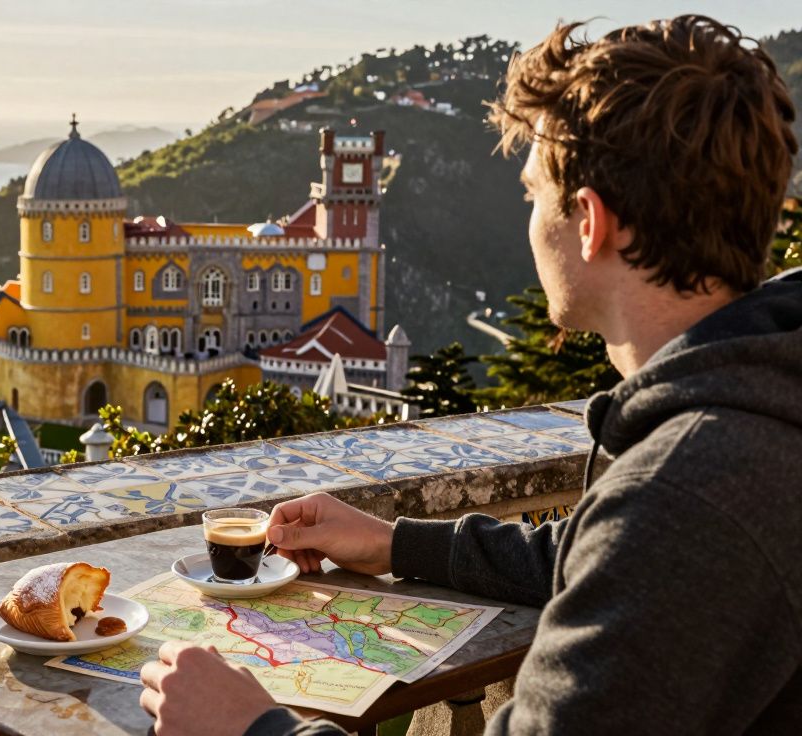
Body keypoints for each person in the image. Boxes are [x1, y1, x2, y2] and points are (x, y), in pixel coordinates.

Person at [139, 15, 801, 735]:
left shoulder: (688, 492)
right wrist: (396, 543)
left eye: (532, 196)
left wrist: (254, 728)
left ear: (589, 221)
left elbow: (649, 542)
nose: (528, 220)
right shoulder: (760, 406)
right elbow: (602, 555)